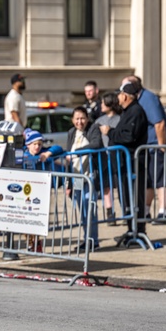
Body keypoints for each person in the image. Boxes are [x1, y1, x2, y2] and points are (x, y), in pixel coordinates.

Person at [101, 82, 150, 245]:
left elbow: (129, 136)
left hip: (134, 162)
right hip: (125, 163)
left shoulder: (136, 111)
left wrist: (110, 132)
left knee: (135, 198)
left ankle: (138, 231)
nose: (117, 97)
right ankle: (131, 229)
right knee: (127, 199)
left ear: (125, 96)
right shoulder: (128, 112)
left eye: (120, 94)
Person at [122, 75, 166, 224]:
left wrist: (161, 146)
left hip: (156, 145)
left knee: (160, 179)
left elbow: (159, 123)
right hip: (146, 147)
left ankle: (162, 212)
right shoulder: (137, 100)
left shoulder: (148, 98)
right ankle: (145, 211)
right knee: (148, 181)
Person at [21, 128, 65, 253]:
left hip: (41, 191)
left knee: (39, 218)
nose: (37, 147)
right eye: (35, 144)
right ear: (28, 144)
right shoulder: (23, 154)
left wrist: (48, 153)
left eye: (40, 144)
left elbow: (59, 148)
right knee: (26, 219)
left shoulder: (44, 153)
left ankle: (36, 242)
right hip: (25, 191)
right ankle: (30, 242)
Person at [64, 107, 102, 251]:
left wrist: (77, 152)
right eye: (77, 119)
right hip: (77, 176)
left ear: (87, 118)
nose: (80, 122)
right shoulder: (71, 133)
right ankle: (86, 239)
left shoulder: (93, 129)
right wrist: (68, 183)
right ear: (73, 120)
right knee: (82, 208)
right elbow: (68, 157)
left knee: (90, 206)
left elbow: (96, 144)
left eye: (82, 118)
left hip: (90, 175)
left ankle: (93, 240)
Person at [93, 91, 123, 224]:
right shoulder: (99, 121)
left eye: (103, 103)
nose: (101, 105)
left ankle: (125, 211)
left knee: (121, 185)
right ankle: (109, 212)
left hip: (117, 157)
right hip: (103, 158)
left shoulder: (120, 119)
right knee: (106, 186)